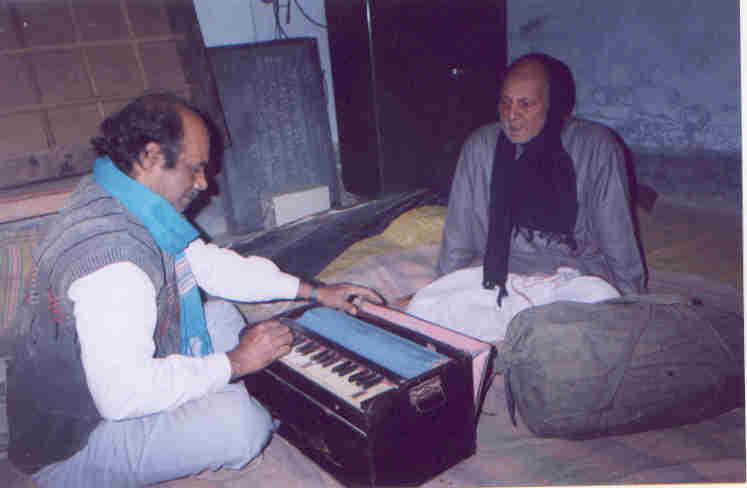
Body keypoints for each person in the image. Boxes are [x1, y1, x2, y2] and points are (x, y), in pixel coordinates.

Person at [7, 93, 382, 487]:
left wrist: (315, 292)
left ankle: (212, 390)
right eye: (196, 168)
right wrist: (235, 363)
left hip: (100, 380)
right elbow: (121, 396)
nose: (205, 184)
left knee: (220, 315)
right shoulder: (115, 265)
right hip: (74, 442)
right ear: (151, 157)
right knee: (242, 425)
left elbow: (210, 266)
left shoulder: (119, 192)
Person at [407, 53, 644, 342]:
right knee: (423, 308)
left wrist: (632, 304)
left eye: (525, 104)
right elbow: (459, 237)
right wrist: (444, 287)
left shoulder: (595, 147)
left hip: (568, 283)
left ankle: (530, 339)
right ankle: (526, 337)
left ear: (552, 104)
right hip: (496, 280)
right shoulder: (481, 147)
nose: (511, 115)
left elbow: (616, 236)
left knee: (599, 309)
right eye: (505, 102)